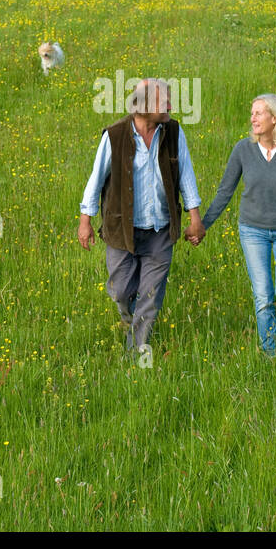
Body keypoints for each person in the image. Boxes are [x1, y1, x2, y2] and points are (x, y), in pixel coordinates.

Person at [78, 78, 204, 354]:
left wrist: (195, 217)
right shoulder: (115, 135)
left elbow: (186, 174)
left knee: (150, 295)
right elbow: (95, 179)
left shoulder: (172, 132)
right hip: (122, 229)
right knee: (122, 291)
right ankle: (129, 319)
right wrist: (85, 221)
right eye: (164, 102)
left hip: (160, 229)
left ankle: (136, 351)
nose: (170, 105)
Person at [198, 93, 276, 357]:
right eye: (252, 112)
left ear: (274, 118)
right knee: (263, 297)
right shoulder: (243, 150)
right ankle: (270, 355)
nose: (252, 118)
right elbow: (225, 191)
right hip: (252, 230)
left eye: (259, 113)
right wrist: (203, 225)